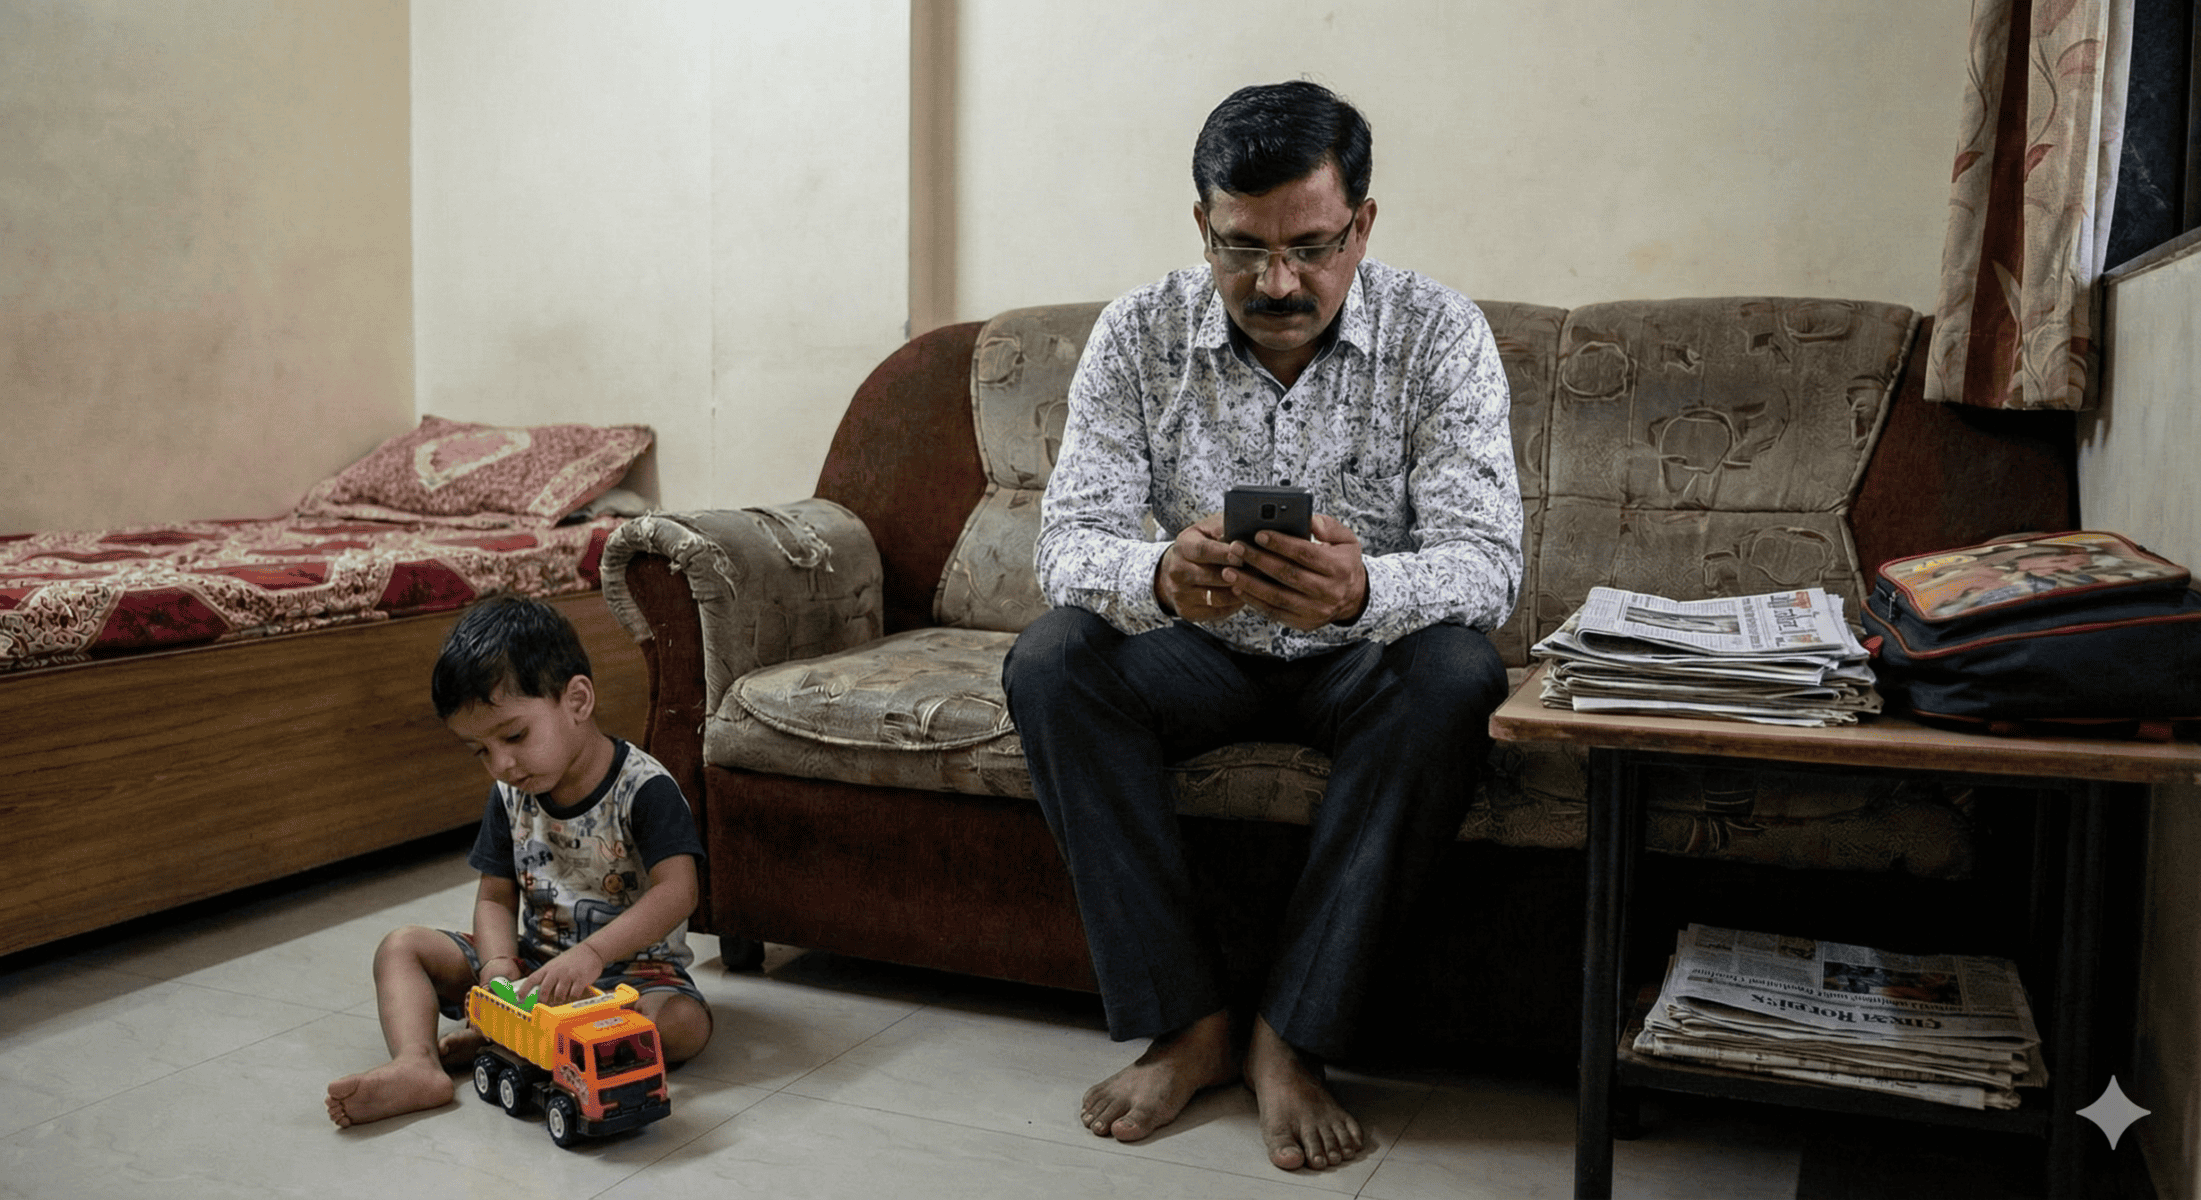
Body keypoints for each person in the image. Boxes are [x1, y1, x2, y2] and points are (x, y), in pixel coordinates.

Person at [1001, 80, 1521, 1172]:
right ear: (1201, 224)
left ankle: (1292, 1035)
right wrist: (1159, 574)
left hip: (1363, 661)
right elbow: (1065, 545)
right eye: (1240, 249)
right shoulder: (1137, 332)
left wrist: (1364, 593)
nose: (1276, 283)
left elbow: (1487, 564)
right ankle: (1188, 1027)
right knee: (1051, 659)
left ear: (1362, 224)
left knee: (1459, 670)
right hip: (1202, 654)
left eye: (1312, 247)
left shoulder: (1441, 334)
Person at [325, 595, 713, 1128]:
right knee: (402, 948)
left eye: (513, 736)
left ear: (577, 700)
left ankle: (518, 1048)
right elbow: (495, 895)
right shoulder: (510, 796)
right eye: (480, 751)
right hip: (531, 970)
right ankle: (418, 1065)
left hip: (630, 980)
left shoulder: (645, 789)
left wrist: (593, 957)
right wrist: (498, 965)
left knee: (686, 1025)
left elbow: (678, 891)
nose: (501, 765)